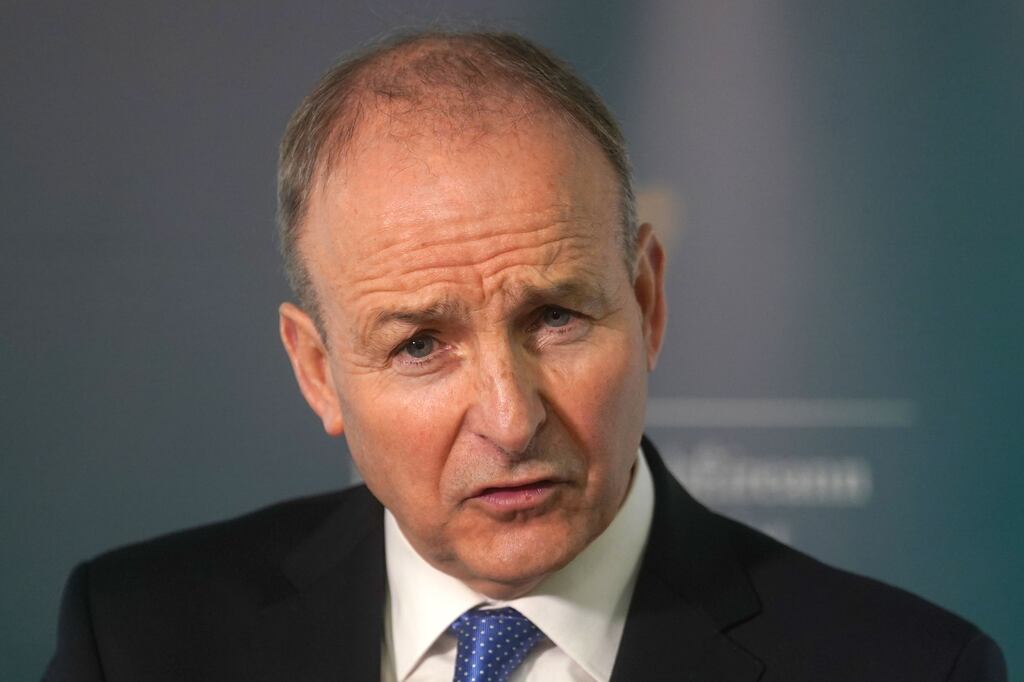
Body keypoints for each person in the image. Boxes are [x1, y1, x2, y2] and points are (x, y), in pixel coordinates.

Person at [45, 30, 1006, 682]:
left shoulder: (911, 666)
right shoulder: (136, 637)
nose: (510, 419)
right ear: (316, 369)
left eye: (554, 317)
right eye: (421, 344)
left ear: (646, 300)